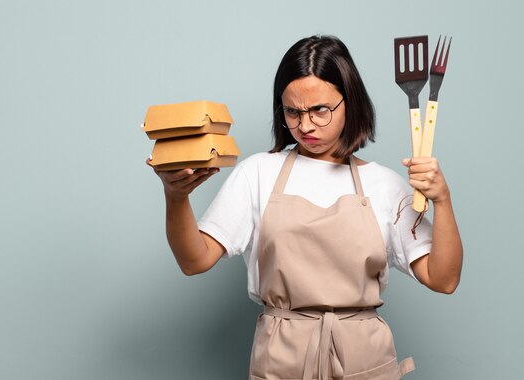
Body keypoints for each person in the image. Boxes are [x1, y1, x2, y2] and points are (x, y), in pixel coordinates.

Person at [149, 35, 463, 380]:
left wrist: (442, 200)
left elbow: (443, 278)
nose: (306, 125)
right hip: (282, 357)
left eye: (320, 110)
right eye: (292, 112)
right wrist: (175, 197)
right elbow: (194, 261)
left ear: (351, 103)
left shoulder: (384, 185)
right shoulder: (258, 173)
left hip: (364, 359)